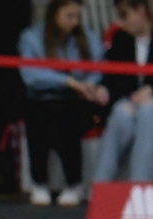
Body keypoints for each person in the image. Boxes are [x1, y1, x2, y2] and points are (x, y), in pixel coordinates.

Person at [19, 0, 108, 206]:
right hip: (42, 98)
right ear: (54, 14)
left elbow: (100, 65)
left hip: (77, 100)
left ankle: (74, 182)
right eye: (69, 16)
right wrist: (67, 81)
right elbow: (30, 75)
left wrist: (89, 83)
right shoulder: (31, 38)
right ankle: (39, 181)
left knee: (65, 117)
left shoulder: (86, 37)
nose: (74, 22)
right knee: (40, 115)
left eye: (77, 17)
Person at [93, 0, 153, 182]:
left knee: (148, 111)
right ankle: (100, 185)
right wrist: (103, 90)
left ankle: (138, 185)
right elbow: (112, 79)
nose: (120, 22)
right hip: (130, 101)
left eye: (124, 15)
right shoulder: (121, 38)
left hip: (148, 106)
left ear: (141, 11)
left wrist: (151, 90)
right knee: (120, 113)